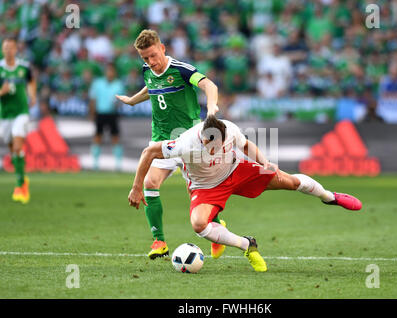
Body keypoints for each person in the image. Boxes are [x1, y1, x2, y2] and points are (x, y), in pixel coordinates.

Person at [128, 115, 363, 272]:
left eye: (216, 146)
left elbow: (247, 146)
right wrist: (138, 187)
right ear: (201, 138)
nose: (212, 150)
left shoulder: (229, 129)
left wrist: (266, 162)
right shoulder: (184, 143)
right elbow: (149, 152)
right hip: (206, 187)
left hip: (237, 171)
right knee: (199, 225)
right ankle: (247, 245)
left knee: (289, 181)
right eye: (208, 146)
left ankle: (330, 197)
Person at [115, 29, 222, 260]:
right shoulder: (147, 70)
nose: (151, 62)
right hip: (161, 139)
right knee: (150, 183)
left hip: (189, 139)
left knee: (196, 194)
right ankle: (159, 241)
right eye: (145, 58)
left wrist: (212, 106)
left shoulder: (182, 70)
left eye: (153, 55)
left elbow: (209, 85)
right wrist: (133, 100)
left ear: (162, 48)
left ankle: (216, 229)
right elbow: (152, 87)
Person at [0, 37, 36, 204]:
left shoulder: (23, 67)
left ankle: (20, 185)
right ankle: (22, 179)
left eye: (11, 47)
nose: (8, 50)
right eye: (5, 47)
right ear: (2, 49)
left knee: (17, 145)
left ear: (16, 49)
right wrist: (2, 92)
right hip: (5, 115)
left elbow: (31, 80)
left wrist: (32, 95)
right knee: (12, 149)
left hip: (21, 112)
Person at [89, 63, 125, 171]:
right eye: (108, 70)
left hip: (112, 113)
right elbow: (93, 99)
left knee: (115, 138)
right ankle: (95, 163)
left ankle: (118, 164)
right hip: (100, 113)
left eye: (112, 71)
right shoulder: (98, 83)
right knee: (97, 137)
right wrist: (91, 113)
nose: (110, 73)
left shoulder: (119, 84)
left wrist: (117, 103)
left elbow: (121, 100)